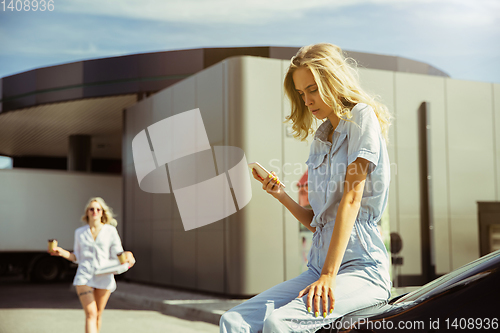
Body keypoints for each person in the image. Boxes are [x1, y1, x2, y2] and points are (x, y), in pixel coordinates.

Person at [219, 43, 393, 333]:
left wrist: (328, 276)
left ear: (332, 81)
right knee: (233, 321)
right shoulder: (320, 140)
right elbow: (319, 224)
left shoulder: (362, 117)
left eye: (313, 89)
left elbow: (352, 198)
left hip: (361, 269)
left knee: (280, 323)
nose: (307, 100)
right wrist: (281, 195)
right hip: (317, 266)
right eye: (301, 93)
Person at [49, 197, 135, 333]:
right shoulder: (80, 232)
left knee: (98, 314)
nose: (95, 211)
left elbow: (118, 254)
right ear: (87, 212)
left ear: (102, 213)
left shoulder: (110, 231)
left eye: (98, 209)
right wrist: (62, 252)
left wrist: (128, 254)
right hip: (84, 275)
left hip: (104, 275)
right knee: (91, 314)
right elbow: (76, 257)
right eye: (91, 209)